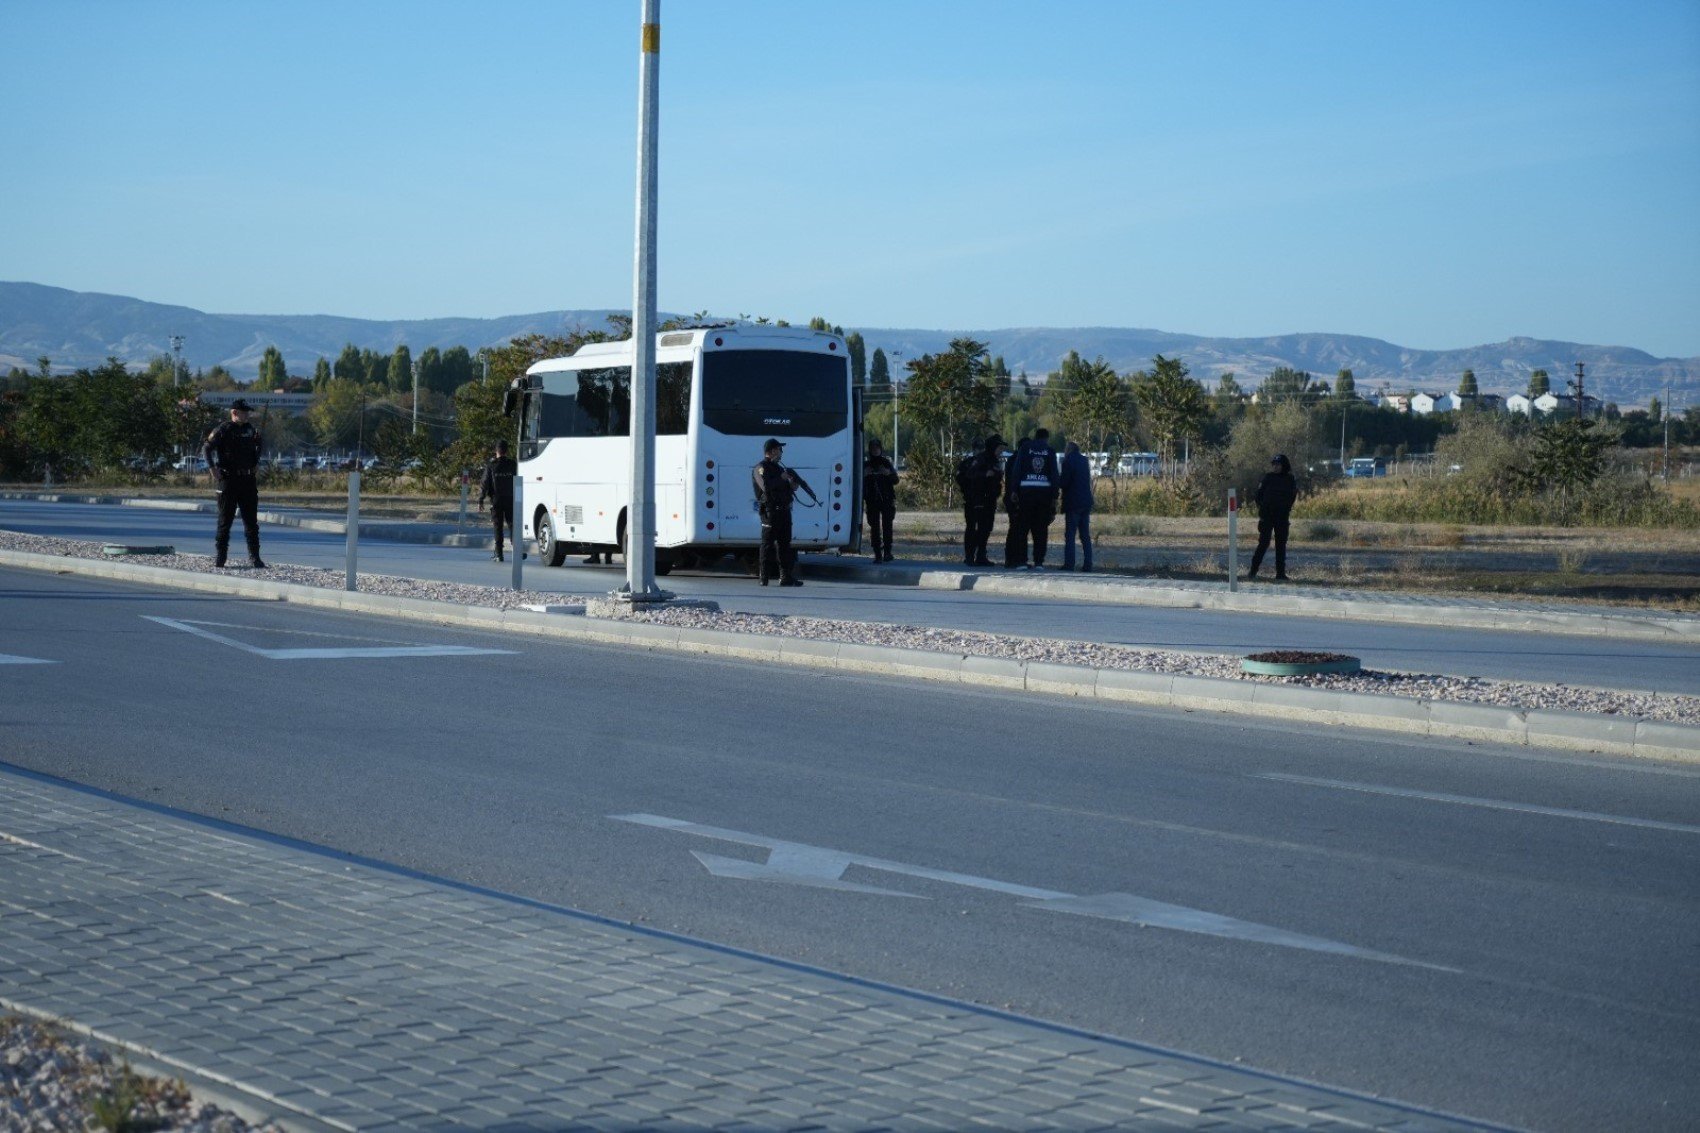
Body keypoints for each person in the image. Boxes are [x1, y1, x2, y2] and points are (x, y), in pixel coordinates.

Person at [203, 399, 266, 568]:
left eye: (247, 412)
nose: (246, 415)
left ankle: (255, 557)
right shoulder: (223, 429)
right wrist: (212, 468)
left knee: (251, 522)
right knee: (225, 521)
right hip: (228, 480)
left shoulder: (250, 429)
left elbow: (259, 445)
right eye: (243, 412)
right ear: (234, 412)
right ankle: (221, 556)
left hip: (247, 480)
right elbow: (207, 448)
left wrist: (256, 462)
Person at [752, 438, 805, 587]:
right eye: (779, 449)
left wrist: (792, 485)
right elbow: (766, 486)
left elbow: (785, 487)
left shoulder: (780, 468)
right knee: (767, 545)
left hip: (784, 512)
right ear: (772, 451)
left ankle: (785, 577)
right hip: (770, 512)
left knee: (785, 545)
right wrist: (781, 479)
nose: (781, 452)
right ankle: (764, 576)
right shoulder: (760, 468)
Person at [1012, 428, 1061, 569]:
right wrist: (1054, 496)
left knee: (1023, 528)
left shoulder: (1025, 448)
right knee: (1040, 530)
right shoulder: (1050, 451)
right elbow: (1054, 475)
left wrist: (1014, 490)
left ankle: (1022, 561)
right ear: (1046, 438)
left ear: (1035, 437)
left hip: (1025, 493)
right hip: (1043, 495)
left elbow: (1017, 470)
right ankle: (1039, 562)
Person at [1247, 453, 1299, 581]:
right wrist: (1263, 509)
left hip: (1282, 516)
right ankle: (1252, 572)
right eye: (1274, 465)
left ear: (1284, 465)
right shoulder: (1268, 478)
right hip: (1267, 516)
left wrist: (1285, 508)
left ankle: (1280, 574)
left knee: (1281, 545)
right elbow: (1258, 495)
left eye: (1278, 465)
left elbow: (1292, 496)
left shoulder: (1290, 479)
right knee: (1263, 543)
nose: (1275, 467)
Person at [956, 435, 1004, 566]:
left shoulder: (994, 461)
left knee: (986, 528)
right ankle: (970, 556)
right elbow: (968, 476)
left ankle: (981, 556)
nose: (1001, 451)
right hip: (976, 500)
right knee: (973, 528)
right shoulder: (979, 460)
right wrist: (985, 475)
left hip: (989, 499)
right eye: (999, 448)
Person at [477, 439, 518, 562]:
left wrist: (481, 499)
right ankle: (516, 550)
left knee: (498, 526)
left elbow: (485, 483)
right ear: (507, 451)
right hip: (511, 499)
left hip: (496, 500)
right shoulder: (513, 464)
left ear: (496, 451)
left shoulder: (491, 465)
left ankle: (499, 553)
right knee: (512, 524)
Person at [1058, 440, 1093, 572]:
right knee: (1085, 535)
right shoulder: (1084, 460)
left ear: (1068, 450)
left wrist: (1057, 481)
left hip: (1073, 503)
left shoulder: (1068, 461)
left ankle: (1069, 564)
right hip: (1086, 501)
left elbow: (1064, 482)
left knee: (1070, 535)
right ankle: (1088, 564)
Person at [862, 439, 899, 563]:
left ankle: (887, 552)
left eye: (877, 448)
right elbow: (856, 483)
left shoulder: (886, 463)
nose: (875, 450)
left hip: (887, 500)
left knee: (887, 526)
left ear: (880, 449)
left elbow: (896, 480)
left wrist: (888, 473)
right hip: (872, 501)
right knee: (875, 528)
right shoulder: (866, 465)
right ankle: (877, 554)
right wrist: (864, 475)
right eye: (873, 448)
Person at [1002, 435, 1029, 568]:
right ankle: (1018, 559)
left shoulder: (1012, 459)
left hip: (1011, 498)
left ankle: (1011, 558)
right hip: (1016, 499)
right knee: (1019, 530)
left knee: (1014, 529)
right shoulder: (1019, 460)